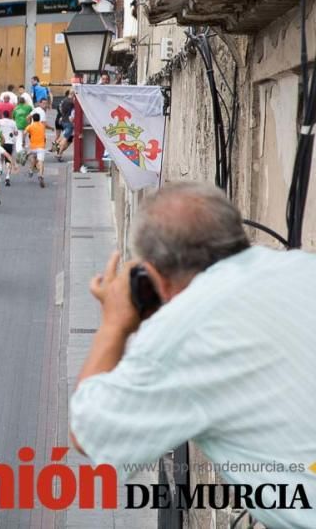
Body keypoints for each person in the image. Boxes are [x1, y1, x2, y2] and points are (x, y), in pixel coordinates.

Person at [69, 183, 316, 529]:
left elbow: (90, 433)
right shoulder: (303, 267)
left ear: (152, 273)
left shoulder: (182, 332)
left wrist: (114, 322)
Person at [24, 112, 49, 188]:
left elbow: (24, 133)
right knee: (41, 162)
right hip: (41, 147)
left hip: (33, 147)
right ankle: (40, 175)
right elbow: (45, 130)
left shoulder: (30, 126)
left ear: (33, 119)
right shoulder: (42, 126)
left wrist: (23, 141)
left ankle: (31, 170)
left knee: (33, 158)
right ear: (39, 119)